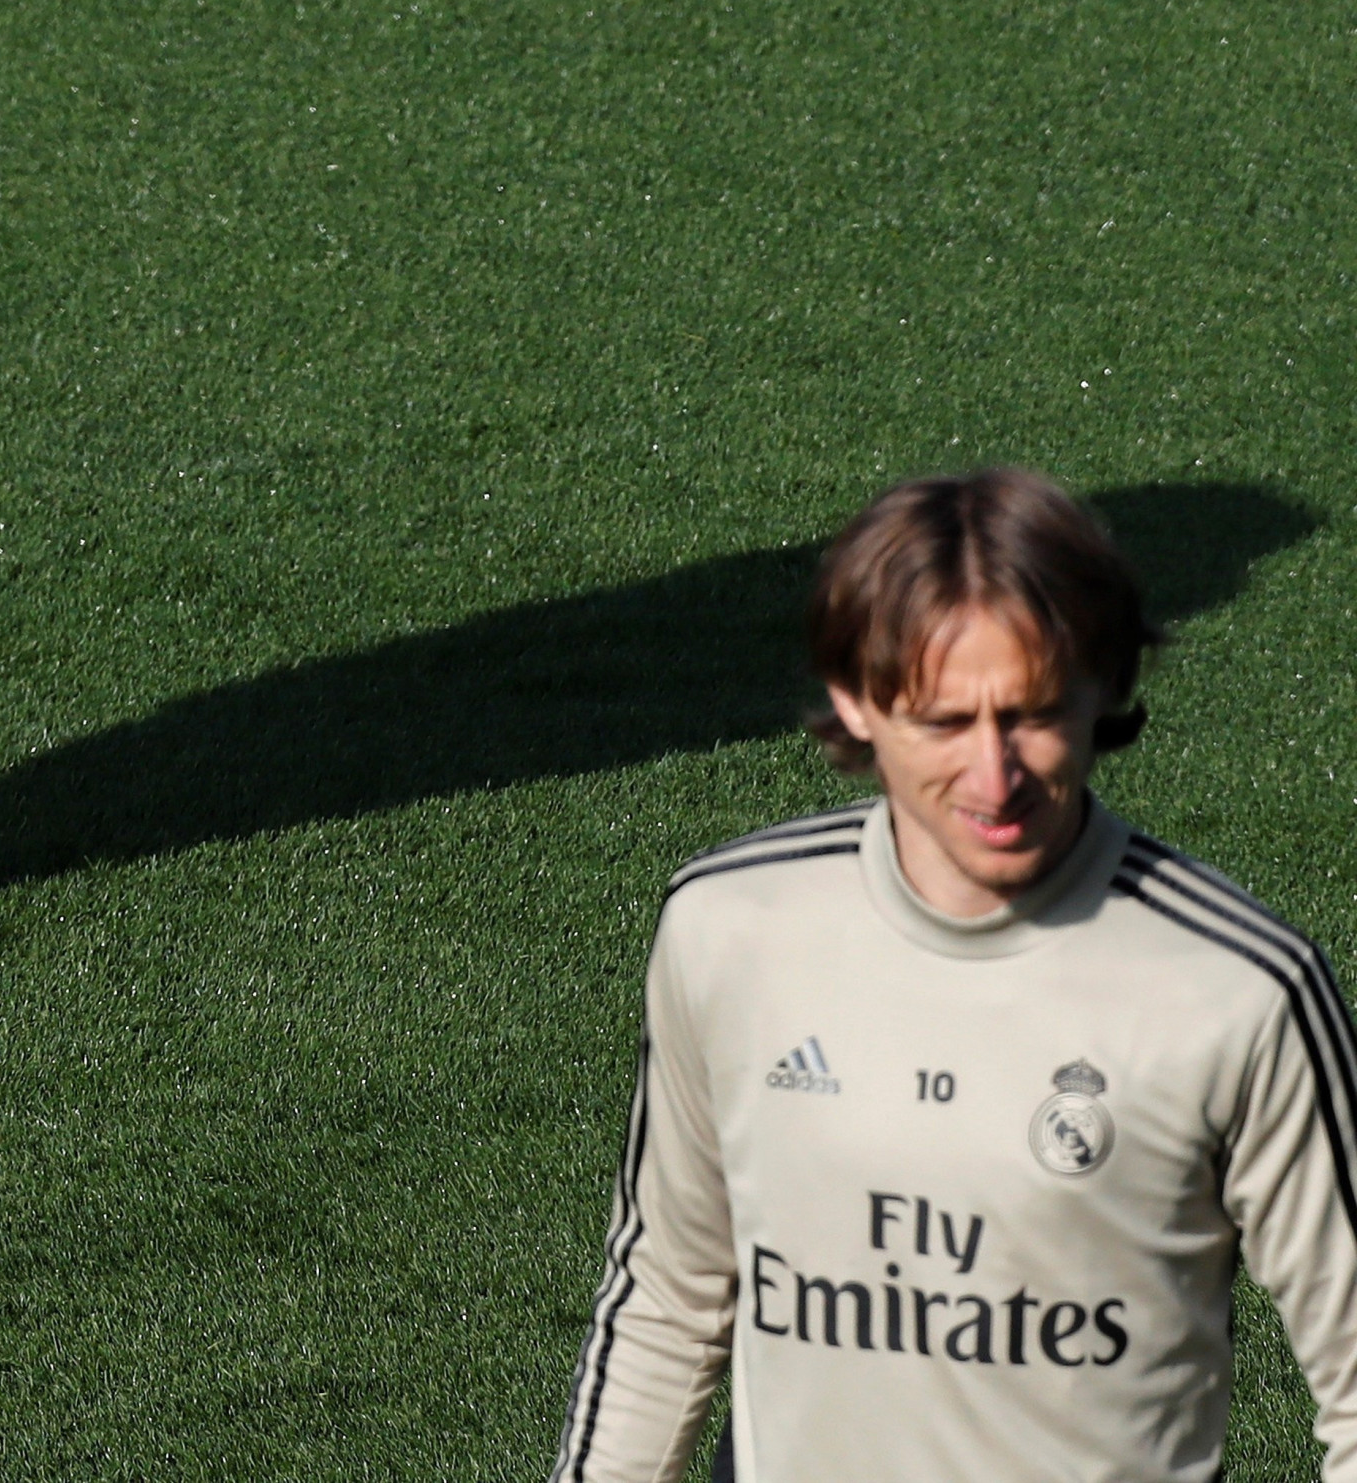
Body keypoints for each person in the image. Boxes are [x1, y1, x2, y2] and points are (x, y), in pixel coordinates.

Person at [553, 467, 1357, 1482]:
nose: (995, 776)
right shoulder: (730, 931)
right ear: (853, 700)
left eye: (1030, 713)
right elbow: (669, 1299)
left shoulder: (1237, 990)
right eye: (943, 722)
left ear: (1105, 682)